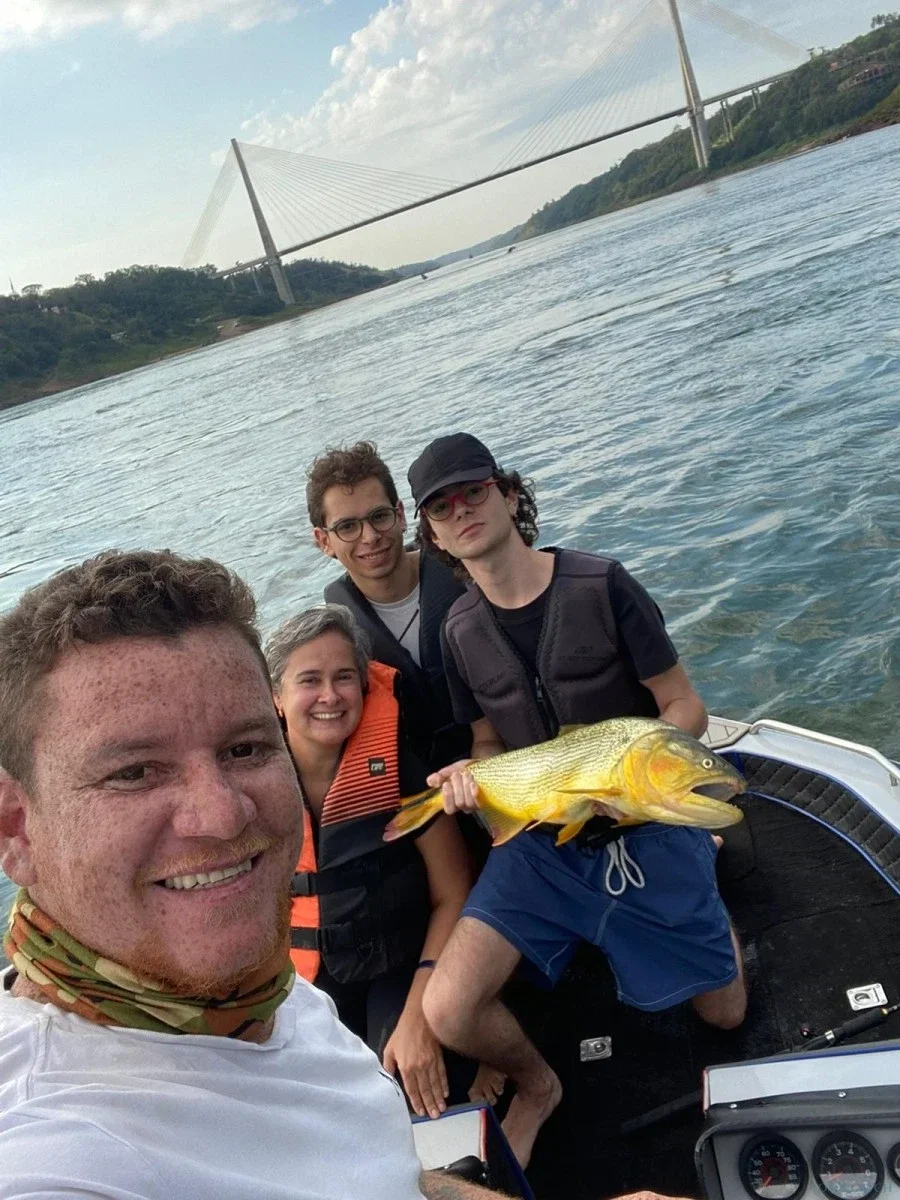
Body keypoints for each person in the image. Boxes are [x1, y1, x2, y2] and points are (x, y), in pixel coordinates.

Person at [0, 548, 527, 1200]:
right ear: (14, 828)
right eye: (133, 772)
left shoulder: (266, 995)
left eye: (244, 749)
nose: (222, 816)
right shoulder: (53, 1151)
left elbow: (388, 1177)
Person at [406, 433, 748, 1169]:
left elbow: (683, 705)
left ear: (507, 494)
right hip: (543, 844)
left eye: (473, 491)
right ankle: (539, 1086)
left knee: (725, 1014)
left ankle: (700, 857)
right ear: (431, 534)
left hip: (639, 821)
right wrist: (471, 780)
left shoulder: (603, 584)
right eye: (441, 507)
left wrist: (637, 783)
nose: (461, 510)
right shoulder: (457, 632)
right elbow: (487, 742)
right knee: (449, 1009)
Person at [264, 603, 502, 1118]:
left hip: (399, 966)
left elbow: (452, 893)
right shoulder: (252, 789)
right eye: (310, 680)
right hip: (305, 978)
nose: (330, 696)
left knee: (397, 1079)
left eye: (344, 677)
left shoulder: (399, 770)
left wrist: (419, 1018)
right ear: (275, 697)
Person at [307, 441, 470, 771]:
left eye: (379, 517)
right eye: (347, 527)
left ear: (400, 516)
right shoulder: (335, 639)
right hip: (417, 782)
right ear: (324, 541)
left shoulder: (467, 576)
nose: (369, 537)